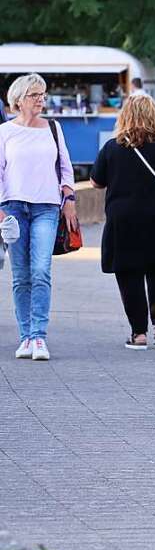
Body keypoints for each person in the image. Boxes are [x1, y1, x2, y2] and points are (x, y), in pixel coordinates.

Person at [90, 94, 155, 349]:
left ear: (124, 116)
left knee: (128, 274)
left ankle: (138, 334)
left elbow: (95, 182)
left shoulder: (112, 148)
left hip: (123, 221)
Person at [0, 73, 77, 361]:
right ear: (18, 100)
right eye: (34, 95)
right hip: (13, 208)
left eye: (42, 94)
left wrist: (68, 199)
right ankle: (25, 337)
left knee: (41, 271)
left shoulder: (54, 129)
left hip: (46, 207)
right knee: (20, 276)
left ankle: (39, 337)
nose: (40, 100)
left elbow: (66, 169)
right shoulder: (5, 132)